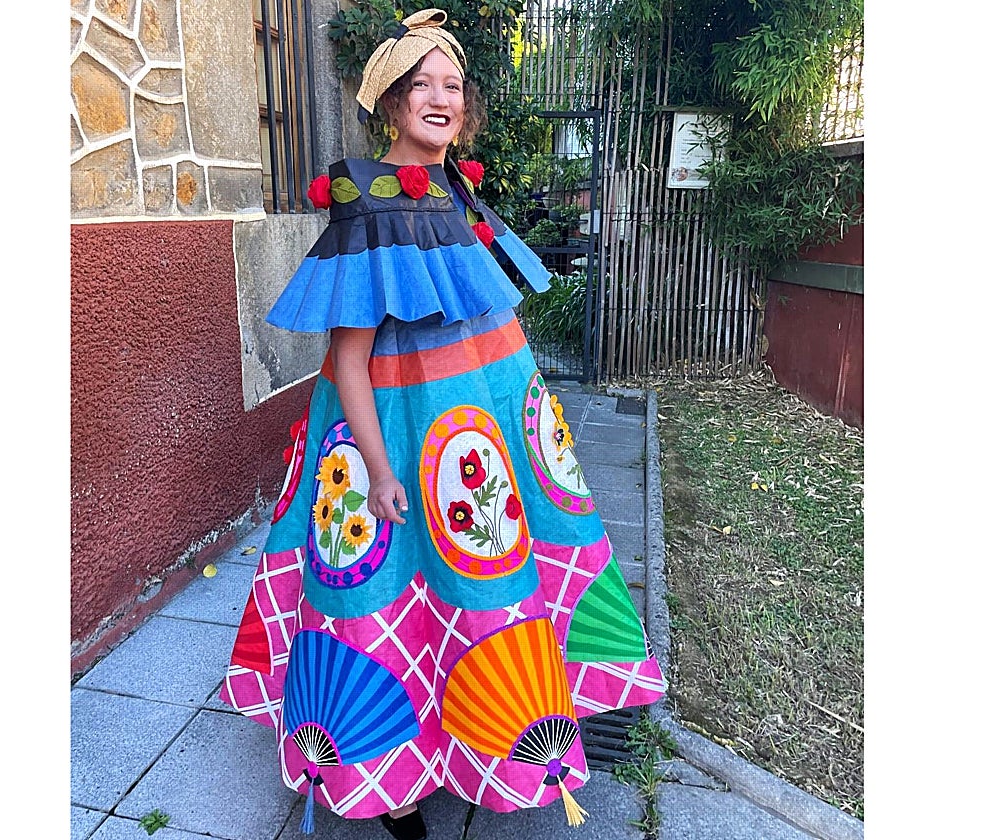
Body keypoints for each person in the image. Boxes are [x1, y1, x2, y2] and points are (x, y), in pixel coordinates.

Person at [219, 10, 666, 838]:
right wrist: (382, 471)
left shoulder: (457, 186)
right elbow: (348, 359)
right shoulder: (364, 195)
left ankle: (463, 739)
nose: (438, 97)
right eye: (420, 84)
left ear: (465, 106)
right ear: (391, 103)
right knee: (390, 591)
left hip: (478, 445)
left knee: (469, 587)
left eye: (451, 85)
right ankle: (391, 777)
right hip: (397, 443)